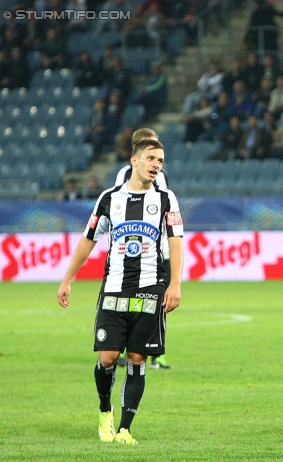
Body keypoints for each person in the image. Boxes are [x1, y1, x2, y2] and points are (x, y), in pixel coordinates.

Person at [57, 139, 184, 445]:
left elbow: (176, 241)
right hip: (114, 288)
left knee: (138, 357)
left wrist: (175, 283)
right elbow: (89, 239)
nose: (156, 164)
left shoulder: (166, 199)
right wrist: (67, 279)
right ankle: (105, 411)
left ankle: (126, 429)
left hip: (151, 288)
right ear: (134, 160)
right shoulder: (109, 198)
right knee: (108, 357)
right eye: (151, 158)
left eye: (161, 161)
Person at [114, 128, 173, 370]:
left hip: (159, 253)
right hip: (131, 254)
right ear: (136, 152)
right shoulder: (123, 174)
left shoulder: (161, 176)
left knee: (159, 303)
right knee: (125, 302)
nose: (156, 160)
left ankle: (156, 353)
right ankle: (123, 348)